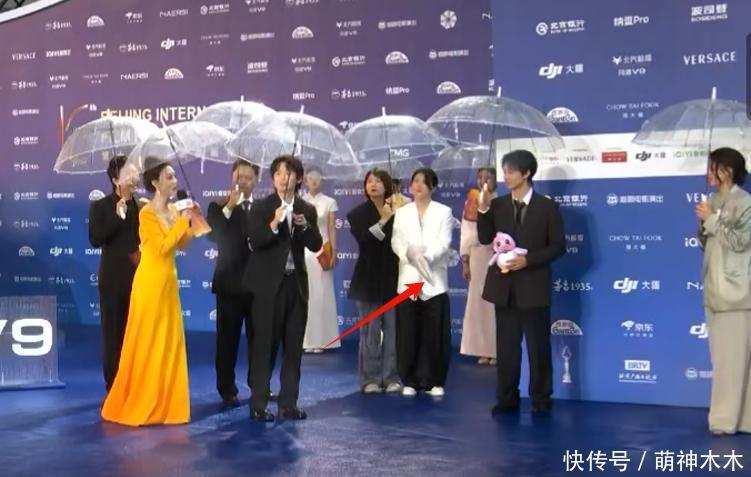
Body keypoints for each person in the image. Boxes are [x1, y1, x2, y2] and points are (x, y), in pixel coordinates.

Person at [101, 158, 196, 426]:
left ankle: (169, 405)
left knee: (169, 344)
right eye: (169, 177)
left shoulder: (175, 211)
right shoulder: (146, 214)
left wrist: (190, 222)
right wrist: (181, 224)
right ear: (155, 182)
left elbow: (182, 246)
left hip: (169, 284)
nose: (174, 181)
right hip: (150, 284)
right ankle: (144, 401)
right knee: (149, 343)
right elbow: (161, 248)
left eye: (174, 176)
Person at [477, 149, 564, 415]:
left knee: (538, 348)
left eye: (511, 171)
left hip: (533, 288)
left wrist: (529, 260)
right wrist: (483, 209)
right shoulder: (498, 205)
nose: (505, 177)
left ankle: (541, 398)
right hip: (504, 289)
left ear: (526, 173)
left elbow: (558, 246)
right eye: (504, 171)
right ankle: (507, 398)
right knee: (506, 348)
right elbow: (485, 238)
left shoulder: (547, 207)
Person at [245, 155, 322, 421]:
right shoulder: (261, 207)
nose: (282, 178)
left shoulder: (305, 208)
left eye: (287, 173)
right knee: (264, 347)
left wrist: (305, 226)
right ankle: (258, 403)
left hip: (295, 286)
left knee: (293, 348)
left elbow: (315, 244)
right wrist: (274, 223)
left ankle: (288, 404)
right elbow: (255, 241)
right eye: (277, 173)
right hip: (268, 289)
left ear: (298, 178)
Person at [696, 147, 751, 435]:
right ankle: (740, 420)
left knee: (732, 362)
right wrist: (704, 225)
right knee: (725, 359)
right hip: (714, 290)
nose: (708, 173)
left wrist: (713, 220)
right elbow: (707, 243)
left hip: (736, 293)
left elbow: (741, 242)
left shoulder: (745, 202)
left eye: (713, 167)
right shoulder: (713, 201)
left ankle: (723, 421)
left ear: (727, 171)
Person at [391, 167, 453, 397]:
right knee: (408, 332)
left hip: (433, 281)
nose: (417, 185)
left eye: (422, 181)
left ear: (432, 187)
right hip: (408, 279)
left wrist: (425, 258)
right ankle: (410, 380)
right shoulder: (402, 212)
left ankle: (434, 380)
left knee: (435, 334)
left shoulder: (443, 212)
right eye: (414, 181)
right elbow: (396, 241)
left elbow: (444, 242)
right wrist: (409, 254)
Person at [206, 159, 259, 405]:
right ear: (232, 178)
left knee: (259, 340)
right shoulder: (218, 206)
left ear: (256, 181)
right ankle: (226, 388)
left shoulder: (264, 208)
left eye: (248, 177)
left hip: (257, 285)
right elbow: (213, 235)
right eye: (239, 177)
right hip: (229, 284)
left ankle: (259, 384)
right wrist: (229, 207)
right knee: (227, 340)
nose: (243, 181)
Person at [88, 156, 141, 391]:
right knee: (113, 334)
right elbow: (95, 238)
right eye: (129, 173)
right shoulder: (100, 207)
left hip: (139, 279)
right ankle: (114, 385)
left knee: (136, 334)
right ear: (115, 179)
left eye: (136, 173)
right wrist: (117, 217)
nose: (135, 178)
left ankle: (135, 381)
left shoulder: (141, 207)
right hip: (112, 281)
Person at [347, 168, 401, 394]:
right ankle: (369, 379)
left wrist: (394, 214)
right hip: (368, 280)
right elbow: (365, 240)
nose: (373, 184)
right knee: (370, 332)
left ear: (387, 185)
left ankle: (391, 377)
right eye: (369, 181)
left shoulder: (400, 211)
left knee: (393, 331)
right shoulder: (357, 214)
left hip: (393, 278)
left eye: (378, 181)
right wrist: (384, 219)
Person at [460, 168, 498, 366]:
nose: (483, 181)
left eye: (488, 177)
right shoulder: (472, 200)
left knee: (494, 303)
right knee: (478, 303)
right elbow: (466, 233)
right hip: (476, 255)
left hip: (496, 254)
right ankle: (482, 349)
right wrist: (465, 261)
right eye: (480, 177)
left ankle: (496, 349)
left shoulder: (501, 200)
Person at [301, 166, 340, 353]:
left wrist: (334, 252)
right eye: (310, 178)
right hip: (304, 251)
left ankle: (324, 340)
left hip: (323, 251)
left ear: (322, 179)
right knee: (306, 295)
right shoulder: (300, 201)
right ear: (305, 180)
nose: (314, 181)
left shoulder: (330, 202)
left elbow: (331, 229)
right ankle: (306, 341)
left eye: (317, 177)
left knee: (322, 295)